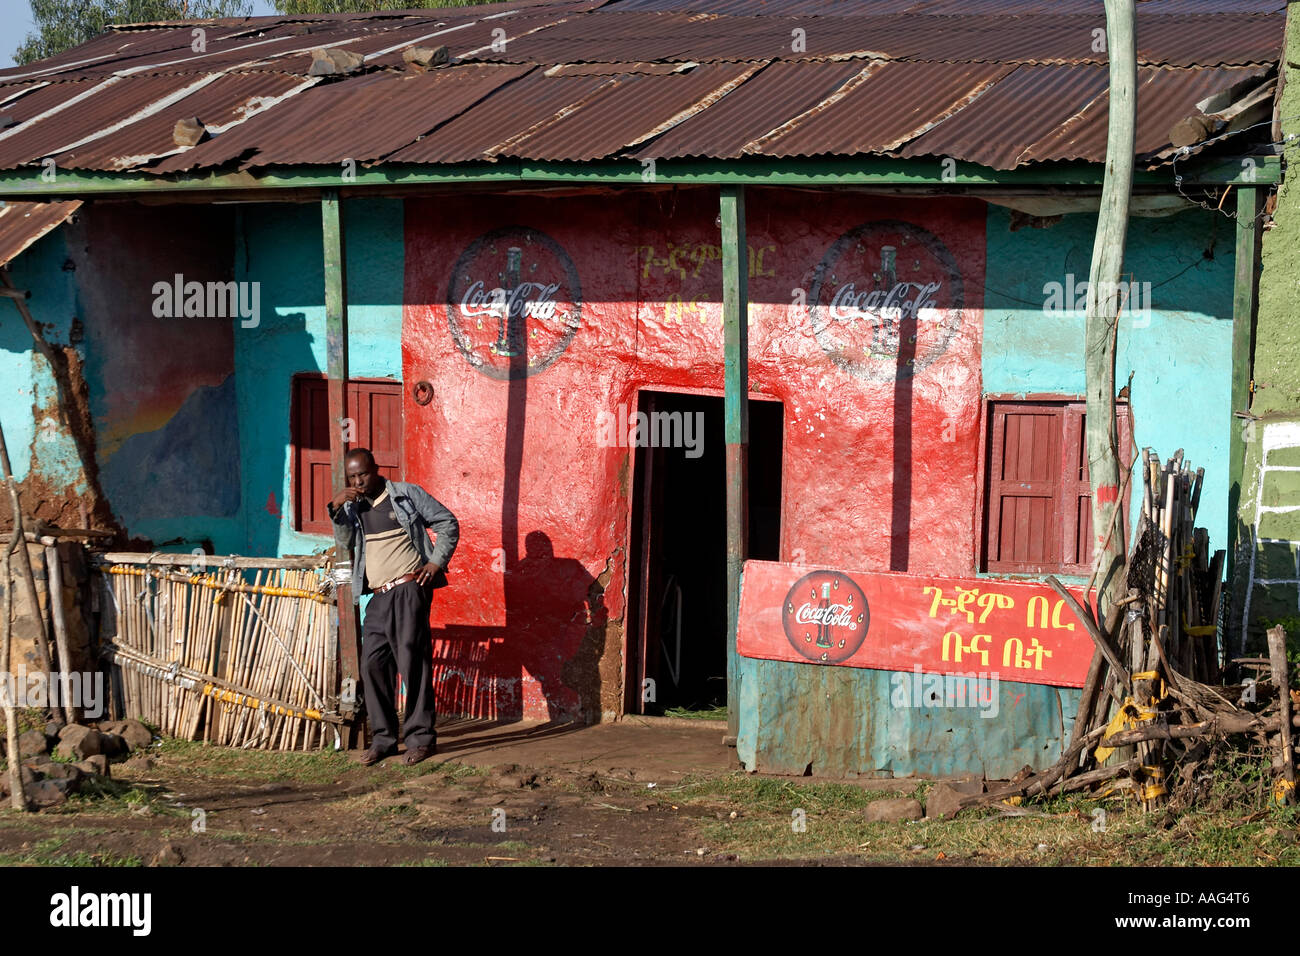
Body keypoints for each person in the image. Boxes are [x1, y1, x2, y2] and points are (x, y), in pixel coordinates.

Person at [328, 448, 458, 766]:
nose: (359, 481)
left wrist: (435, 563)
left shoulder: (404, 495)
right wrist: (336, 504)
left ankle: (420, 739)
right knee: (371, 665)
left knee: (412, 665)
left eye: (363, 474)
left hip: (408, 588)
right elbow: (344, 540)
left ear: (376, 469)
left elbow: (447, 523)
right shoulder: (355, 507)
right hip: (378, 596)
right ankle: (384, 739)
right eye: (353, 477)